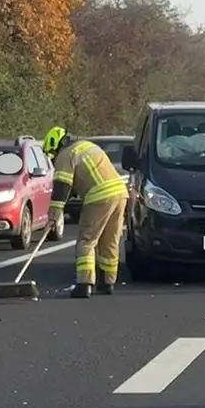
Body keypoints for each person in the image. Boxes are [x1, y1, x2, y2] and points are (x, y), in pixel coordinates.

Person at [44, 126, 129, 299]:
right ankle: (107, 282)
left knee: (86, 241)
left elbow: (62, 186)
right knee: (110, 241)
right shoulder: (89, 147)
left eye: (52, 154)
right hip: (120, 194)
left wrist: (54, 215)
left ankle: (84, 284)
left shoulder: (66, 155)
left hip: (99, 196)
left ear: (55, 146)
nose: (53, 159)